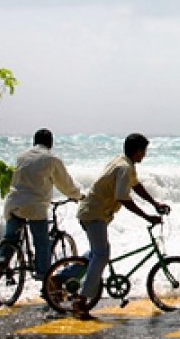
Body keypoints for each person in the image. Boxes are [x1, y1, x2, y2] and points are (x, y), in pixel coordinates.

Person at [71, 133, 168, 319]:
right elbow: (122, 197)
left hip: (94, 212)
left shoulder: (124, 163)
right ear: (137, 151)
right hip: (94, 214)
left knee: (96, 253)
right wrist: (147, 216)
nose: (144, 155)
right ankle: (80, 301)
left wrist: (155, 204)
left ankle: (61, 277)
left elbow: (136, 186)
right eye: (143, 151)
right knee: (102, 254)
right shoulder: (124, 168)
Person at [0, 129, 83, 280]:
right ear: (51, 143)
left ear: (34, 141)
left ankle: (1, 262)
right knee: (41, 243)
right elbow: (65, 184)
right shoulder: (51, 159)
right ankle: (44, 276)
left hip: (13, 203)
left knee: (10, 238)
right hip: (34, 206)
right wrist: (78, 195)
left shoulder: (22, 156)